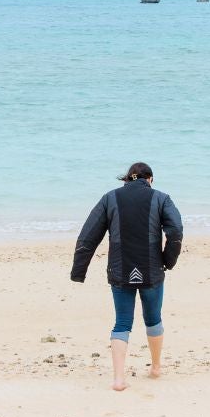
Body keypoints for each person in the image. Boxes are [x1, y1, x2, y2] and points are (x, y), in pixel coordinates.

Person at [69, 161, 184, 391]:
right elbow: (176, 231)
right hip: (152, 270)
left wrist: (78, 272)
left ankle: (119, 379)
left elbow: (88, 236)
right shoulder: (161, 198)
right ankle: (156, 368)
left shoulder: (110, 198)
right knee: (153, 319)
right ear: (149, 179)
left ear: (127, 179)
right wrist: (168, 260)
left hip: (120, 270)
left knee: (122, 322)